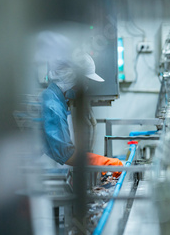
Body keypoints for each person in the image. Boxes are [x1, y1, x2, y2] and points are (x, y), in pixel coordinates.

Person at [38, 32, 123, 170]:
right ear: (70, 78)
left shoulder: (57, 100)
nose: (86, 86)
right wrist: (104, 162)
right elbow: (66, 155)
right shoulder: (52, 106)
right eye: (84, 81)